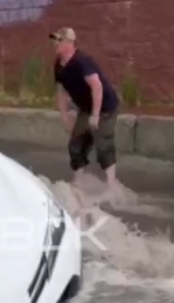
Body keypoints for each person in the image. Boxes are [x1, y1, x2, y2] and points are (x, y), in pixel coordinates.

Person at [51, 27, 121, 187]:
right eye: (54, 40)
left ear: (70, 43)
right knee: (76, 144)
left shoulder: (82, 61)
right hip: (86, 108)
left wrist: (95, 115)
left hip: (105, 107)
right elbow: (61, 92)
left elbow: (97, 87)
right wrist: (65, 117)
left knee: (103, 144)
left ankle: (111, 185)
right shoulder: (59, 65)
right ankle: (78, 182)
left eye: (58, 40)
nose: (54, 44)